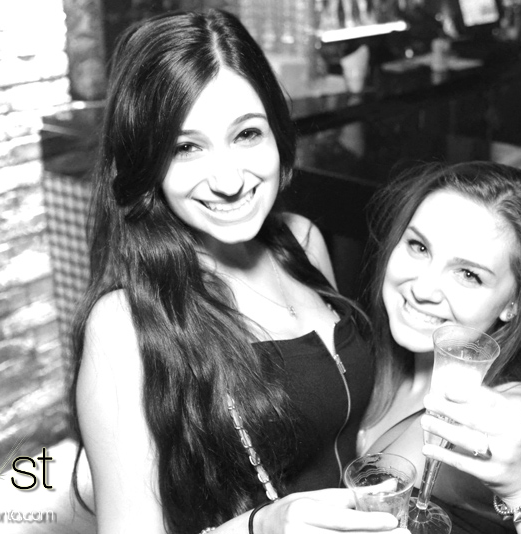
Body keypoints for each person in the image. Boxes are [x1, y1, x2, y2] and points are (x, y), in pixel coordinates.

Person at [68, 9, 403, 534]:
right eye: (186, 147)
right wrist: (261, 526)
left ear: (276, 131)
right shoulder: (124, 324)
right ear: (147, 162)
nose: (228, 180)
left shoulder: (303, 240)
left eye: (246, 134)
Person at [358, 162, 521, 532]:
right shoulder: (370, 359)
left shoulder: (515, 413)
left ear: (513, 303)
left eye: (469, 275)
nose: (423, 288)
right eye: (418, 246)